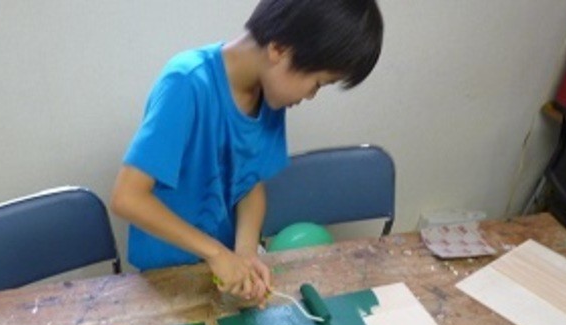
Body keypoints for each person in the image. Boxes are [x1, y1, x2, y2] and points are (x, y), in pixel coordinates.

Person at [110, 0, 383, 305]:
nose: (310, 95)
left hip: (221, 268)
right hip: (166, 276)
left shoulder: (268, 94)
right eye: (317, 83)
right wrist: (216, 253)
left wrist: (246, 252)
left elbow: (251, 183)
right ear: (279, 48)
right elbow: (127, 197)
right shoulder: (187, 83)